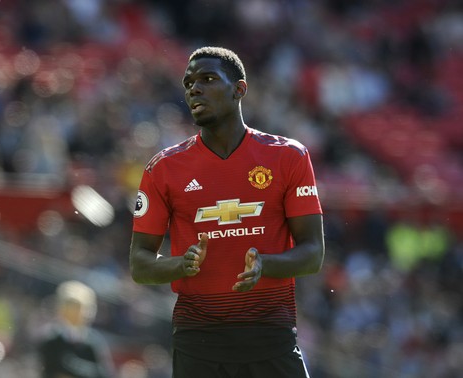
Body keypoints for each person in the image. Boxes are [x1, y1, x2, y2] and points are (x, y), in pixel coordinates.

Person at [129, 46, 325, 378]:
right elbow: (140, 264)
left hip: (270, 337)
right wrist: (180, 265)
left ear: (239, 89)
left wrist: (266, 264)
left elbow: (313, 253)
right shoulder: (162, 169)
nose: (195, 88)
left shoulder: (288, 157)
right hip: (198, 343)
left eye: (207, 79)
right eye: (189, 82)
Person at [38, 280, 115, 378]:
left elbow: (102, 373)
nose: (76, 312)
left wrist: (71, 363)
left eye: (79, 307)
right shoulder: (52, 340)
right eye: (71, 306)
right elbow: (52, 367)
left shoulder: (93, 343)